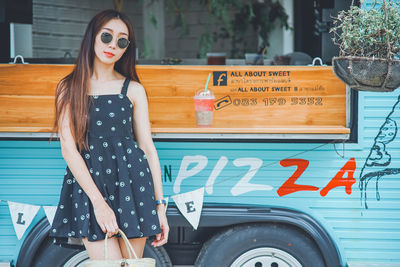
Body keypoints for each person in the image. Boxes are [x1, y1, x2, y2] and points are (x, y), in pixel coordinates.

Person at [49, 9, 169, 260]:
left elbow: (147, 148)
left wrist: (160, 206)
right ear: (92, 37)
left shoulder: (133, 89)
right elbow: (68, 149)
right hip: (90, 188)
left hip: (133, 185)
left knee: (130, 266)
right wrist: (99, 204)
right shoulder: (69, 87)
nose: (113, 45)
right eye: (107, 37)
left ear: (126, 48)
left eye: (121, 41)